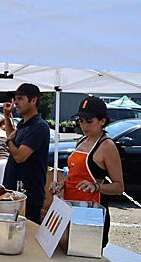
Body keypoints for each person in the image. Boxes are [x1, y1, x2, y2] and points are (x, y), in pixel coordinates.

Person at [52, 96, 124, 247]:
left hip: (90, 215)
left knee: (84, 259)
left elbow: (119, 187)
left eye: (89, 121)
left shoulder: (107, 146)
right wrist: (62, 184)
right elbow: (75, 176)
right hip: (70, 208)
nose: (84, 126)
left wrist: (96, 187)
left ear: (102, 121)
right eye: (81, 121)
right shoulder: (81, 140)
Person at [2, 83, 50, 224]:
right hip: (13, 193)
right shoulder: (24, 124)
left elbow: (19, 156)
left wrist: (8, 141)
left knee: (25, 237)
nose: (15, 102)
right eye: (15, 98)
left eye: (20, 98)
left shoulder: (39, 126)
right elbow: (13, 137)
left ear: (33, 100)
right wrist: (7, 115)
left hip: (28, 196)